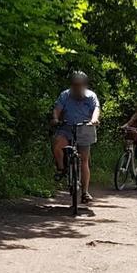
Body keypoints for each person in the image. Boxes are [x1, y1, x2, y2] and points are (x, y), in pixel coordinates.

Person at [51, 70, 100, 203]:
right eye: (75, 85)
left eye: (80, 85)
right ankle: (61, 168)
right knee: (57, 145)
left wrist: (94, 120)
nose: (77, 87)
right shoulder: (65, 95)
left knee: (84, 160)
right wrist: (55, 118)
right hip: (67, 127)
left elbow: (96, 109)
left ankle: (85, 192)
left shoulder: (91, 96)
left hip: (85, 128)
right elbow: (57, 109)